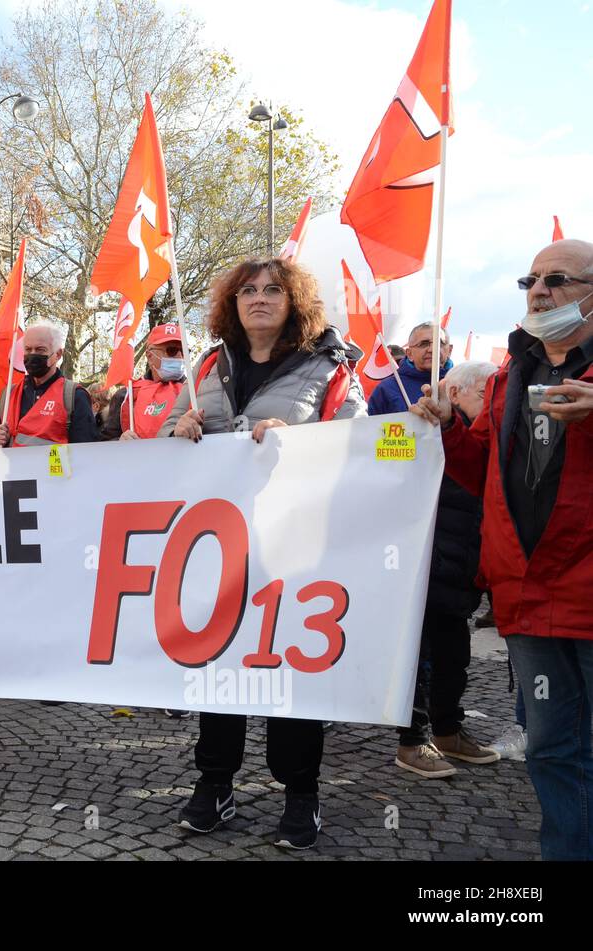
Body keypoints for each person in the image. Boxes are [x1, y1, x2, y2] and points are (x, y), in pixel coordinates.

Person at [161, 257, 366, 850]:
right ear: (232, 303)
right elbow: (168, 432)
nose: (259, 298)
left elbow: (355, 443)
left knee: (287, 672)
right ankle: (214, 782)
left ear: (294, 300)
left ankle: (301, 792)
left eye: (273, 289)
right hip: (219, 548)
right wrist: (181, 428)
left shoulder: (330, 369)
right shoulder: (208, 364)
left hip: (293, 549)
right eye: (248, 290)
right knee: (220, 665)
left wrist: (301, 440)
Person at [411, 238, 593, 861]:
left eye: (558, 279)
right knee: (549, 748)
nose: (540, 290)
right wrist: (449, 429)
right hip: (529, 602)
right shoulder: (509, 375)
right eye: (532, 280)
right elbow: (483, 467)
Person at [379, 360, 500, 779]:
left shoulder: (490, 438)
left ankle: (449, 730)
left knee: (454, 656)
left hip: (463, 565)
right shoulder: (423, 429)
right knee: (418, 656)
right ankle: (413, 741)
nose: (493, 403)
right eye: (486, 395)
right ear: (454, 394)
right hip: (426, 563)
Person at [0, 322, 98, 448]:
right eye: (28, 349)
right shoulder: (9, 394)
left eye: (40, 349)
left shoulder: (75, 396)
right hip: (14, 467)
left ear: (57, 354)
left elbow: (85, 451)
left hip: (54, 467)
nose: (33, 354)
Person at [103, 323, 188, 441]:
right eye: (172, 350)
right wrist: (119, 441)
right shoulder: (126, 396)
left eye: (184, 351)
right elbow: (105, 441)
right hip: (137, 458)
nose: (180, 356)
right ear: (150, 355)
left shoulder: (195, 390)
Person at [367, 322, 452, 415]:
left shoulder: (463, 384)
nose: (432, 349)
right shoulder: (387, 389)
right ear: (409, 353)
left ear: (450, 350)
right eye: (423, 344)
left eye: (439, 343)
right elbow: (373, 427)